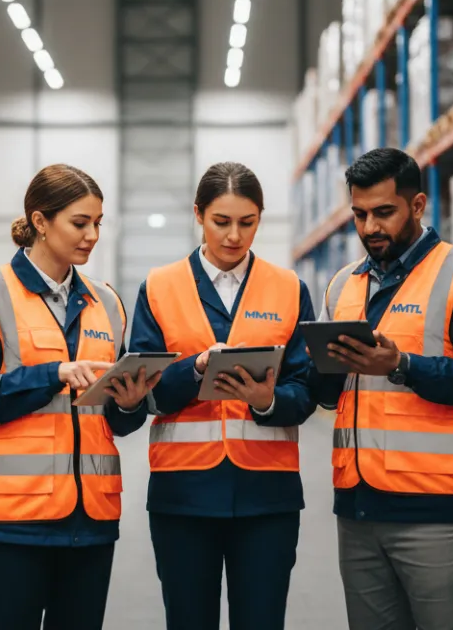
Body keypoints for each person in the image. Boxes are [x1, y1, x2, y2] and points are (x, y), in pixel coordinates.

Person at [0, 163, 157, 630]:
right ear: (40, 222)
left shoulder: (107, 303)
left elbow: (116, 424)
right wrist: (54, 373)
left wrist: (129, 401)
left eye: (98, 223)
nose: (92, 235)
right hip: (11, 523)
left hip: (90, 521)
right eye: (80, 223)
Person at [316, 147, 453, 630]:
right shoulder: (343, 285)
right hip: (358, 510)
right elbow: (327, 393)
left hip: (438, 514)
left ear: (419, 205)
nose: (369, 228)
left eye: (384, 212)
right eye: (360, 215)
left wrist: (402, 364)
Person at [130, 161, 318, 630]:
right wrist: (193, 371)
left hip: (267, 497)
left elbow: (307, 389)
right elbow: (142, 393)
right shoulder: (158, 288)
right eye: (221, 222)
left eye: (247, 222)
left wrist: (267, 401)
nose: (234, 236)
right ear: (198, 214)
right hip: (183, 496)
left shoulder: (290, 289)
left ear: (260, 218)